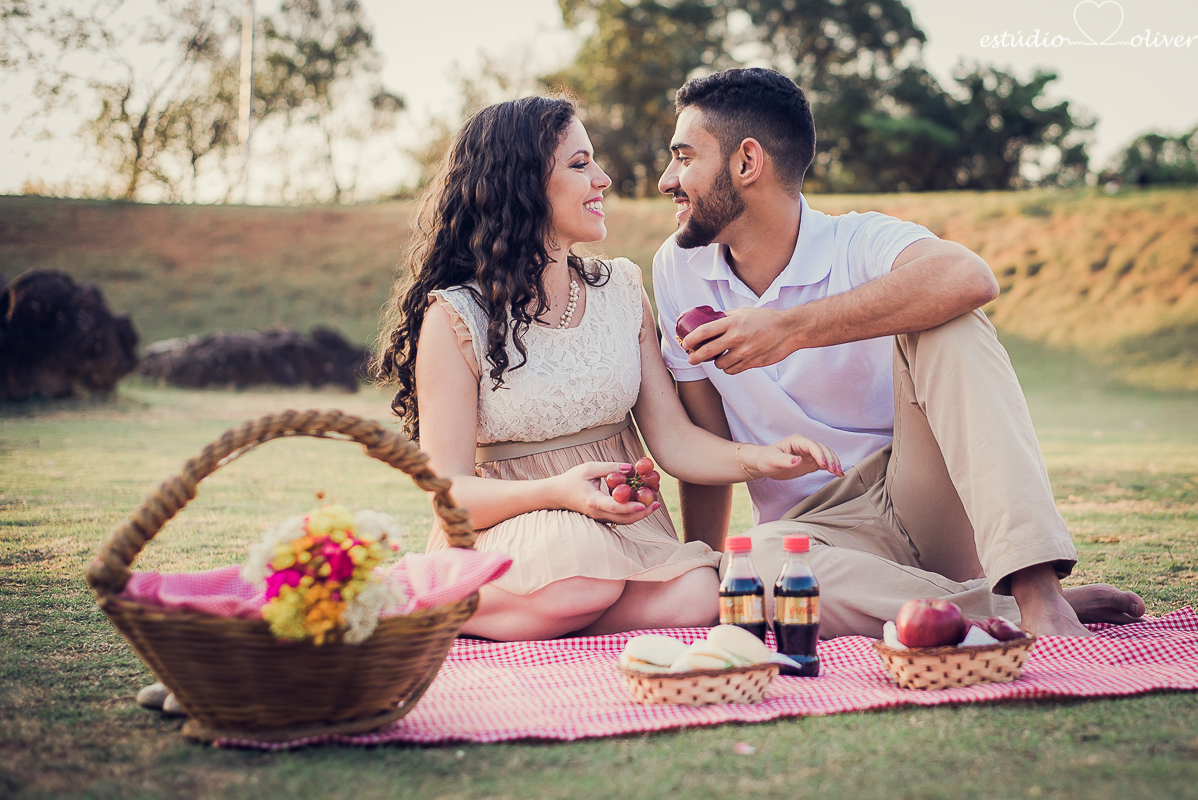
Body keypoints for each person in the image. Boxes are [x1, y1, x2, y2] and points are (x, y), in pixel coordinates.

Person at [652, 68, 1146, 639]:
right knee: (761, 569)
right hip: (814, 535)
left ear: (747, 162)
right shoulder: (678, 266)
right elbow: (710, 440)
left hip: (921, 500)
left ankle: (1039, 590)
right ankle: (997, 608)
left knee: (952, 322)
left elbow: (969, 276)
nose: (668, 179)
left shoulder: (859, 241)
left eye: (684, 157)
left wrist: (789, 328)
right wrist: (714, 568)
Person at [375, 95, 843, 642]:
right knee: (578, 579)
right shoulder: (456, 316)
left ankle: (529, 620)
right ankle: (410, 597)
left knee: (698, 594)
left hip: (625, 529)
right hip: (514, 526)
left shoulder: (619, 289)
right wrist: (559, 492)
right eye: (579, 165)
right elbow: (448, 494)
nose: (602, 178)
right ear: (520, 184)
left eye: (593, 160)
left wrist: (762, 458)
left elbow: (671, 440)